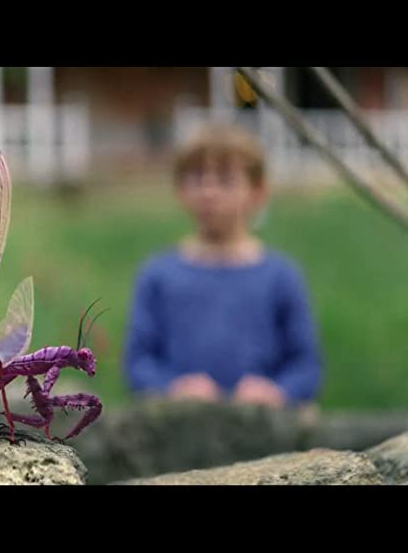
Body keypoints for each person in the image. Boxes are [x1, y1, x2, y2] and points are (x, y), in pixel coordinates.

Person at [123, 122, 323, 411]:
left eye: (225, 180)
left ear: (258, 192)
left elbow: (306, 366)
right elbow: (138, 363)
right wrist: (171, 387)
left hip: (263, 431)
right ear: (181, 189)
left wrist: (278, 391)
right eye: (198, 178)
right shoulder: (158, 275)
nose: (209, 191)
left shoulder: (280, 276)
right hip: (179, 428)